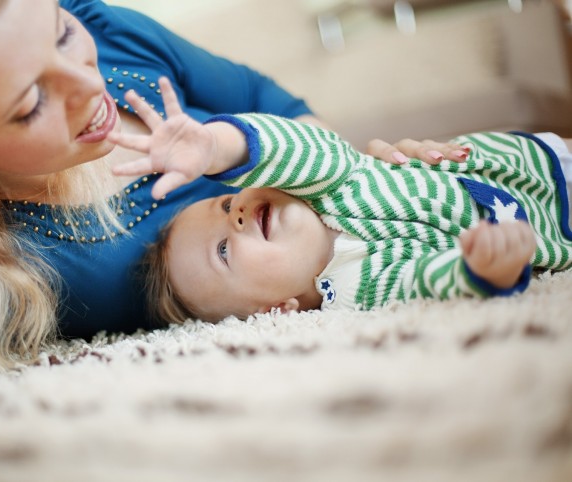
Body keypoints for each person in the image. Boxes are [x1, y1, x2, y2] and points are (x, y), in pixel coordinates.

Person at [0, 0, 466, 409]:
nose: (91, 87)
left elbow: (261, 97)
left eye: (61, 35)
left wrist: (363, 177)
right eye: (31, 100)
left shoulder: (111, 37)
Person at [110, 78, 572, 324]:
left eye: (227, 205)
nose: (239, 215)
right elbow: (422, 282)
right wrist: (479, 269)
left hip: (529, 161)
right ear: (277, 311)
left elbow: (293, 145)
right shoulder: (355, 289)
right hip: (551, 228)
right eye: (224, 251)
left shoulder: (328, 181)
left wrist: (216, 148)